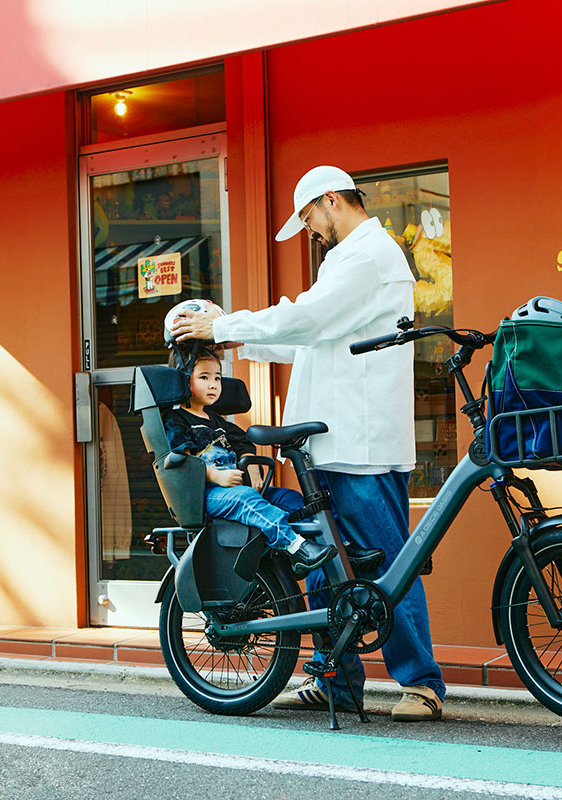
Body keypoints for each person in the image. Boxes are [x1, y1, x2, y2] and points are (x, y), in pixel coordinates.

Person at [171, 165, 446, 721]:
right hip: (335, 440)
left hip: (358, 440)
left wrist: (225, 329)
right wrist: (232, 334)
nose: (311, 232)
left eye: (309, 219)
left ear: (330, 201)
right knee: (325, 563)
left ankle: (421, 683)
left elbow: (310, 319)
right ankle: (334, 680)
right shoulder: (347, 260)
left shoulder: (368, 257)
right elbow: (313, 341)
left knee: (385, 563)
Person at [163, 347, 336, 575]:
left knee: (290, 498)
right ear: (184, 381)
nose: (214, 384)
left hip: (236, 489)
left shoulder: (217, 420)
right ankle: (295, 546)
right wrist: (216, 476)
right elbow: (182, 460)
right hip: (206, 494)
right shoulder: (176, 421)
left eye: (217, 377)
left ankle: (334, 548)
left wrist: (252, 469)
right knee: (246, 499)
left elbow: (244, 443)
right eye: (204, 377)